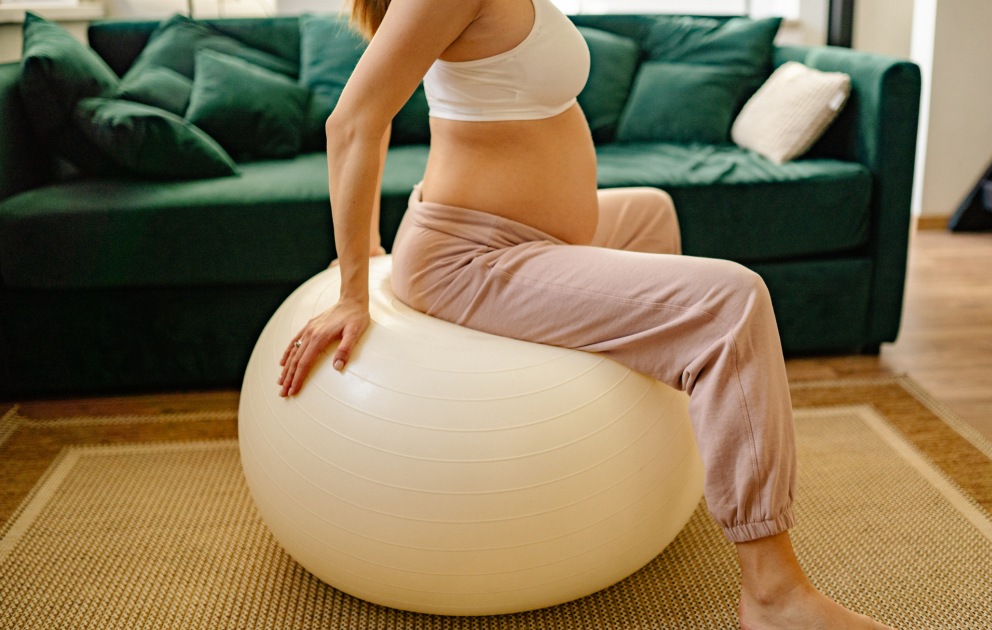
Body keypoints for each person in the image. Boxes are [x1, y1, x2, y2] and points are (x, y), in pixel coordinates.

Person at [276, 0, 894, 627]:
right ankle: (773, 594)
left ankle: (677, 461)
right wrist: (357, 281)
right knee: (732, 302)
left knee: (652, 211)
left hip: (524, 236)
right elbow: (352, 122)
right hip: (471, 258)